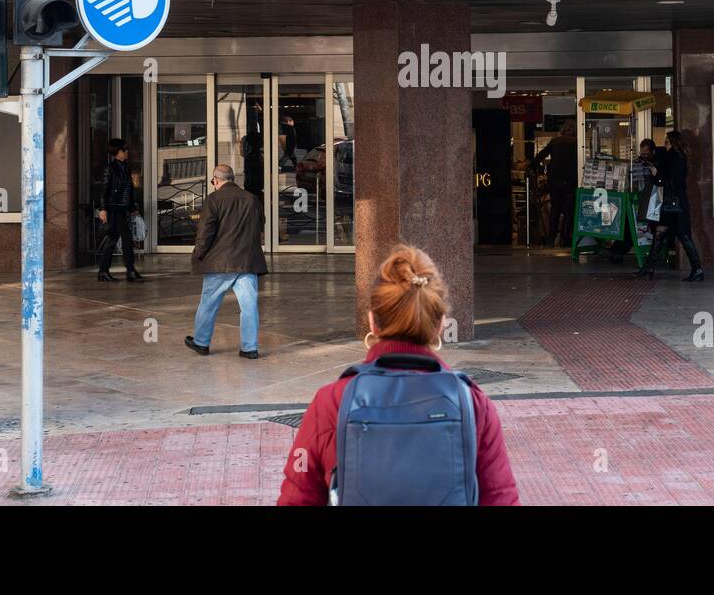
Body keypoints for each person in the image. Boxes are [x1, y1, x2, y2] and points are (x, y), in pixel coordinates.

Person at [277, 245, 520, 506]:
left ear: (372, 321)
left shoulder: (331, 402)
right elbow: (501, 498)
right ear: (440, 325)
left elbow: (296, 498)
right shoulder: (472, 403)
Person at [185, 164, 268, 359]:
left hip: (220, 263)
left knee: (208, 303)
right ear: (232, 178)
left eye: (213, 181)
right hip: (247, 261)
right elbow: (260, 225)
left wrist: (198, 254)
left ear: (216, 180)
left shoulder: (213, 199)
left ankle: (201, 342)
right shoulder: (251, 199)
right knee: (249, 306)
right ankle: (250, 348)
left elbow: (205, 232)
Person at [636, 131, 705, 281]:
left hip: (676, 204)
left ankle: (697, 268)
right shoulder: (672, 157)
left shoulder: (676, 159)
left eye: (666, 142)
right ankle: (649, 267)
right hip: (671, 204)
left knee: (684, 236)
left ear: (673, 143)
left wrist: (657, 174)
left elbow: (672, 182)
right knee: (660, 233)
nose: (664, 144)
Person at [97, 139, 144, 283]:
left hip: (122, 208)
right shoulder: (110, 168)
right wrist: (103, 208)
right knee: (127, 237)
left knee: (111, 240)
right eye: (124, 149)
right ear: (117, 152)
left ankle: (103, 271)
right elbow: (104, 190)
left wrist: (132, 208)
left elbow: (128, 190)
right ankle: (130, 270)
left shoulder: (125, 167)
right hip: (113, 208)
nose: (127, 151)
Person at [533, 120, 578, 247]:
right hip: (571, 181)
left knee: (555, 209)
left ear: (563, 130)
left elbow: (541, 155)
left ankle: (551, 238)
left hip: (555, 180)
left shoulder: (555, 141)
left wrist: (532, 167)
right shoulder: (577, 143)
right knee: (570, 210)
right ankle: (566, 237)